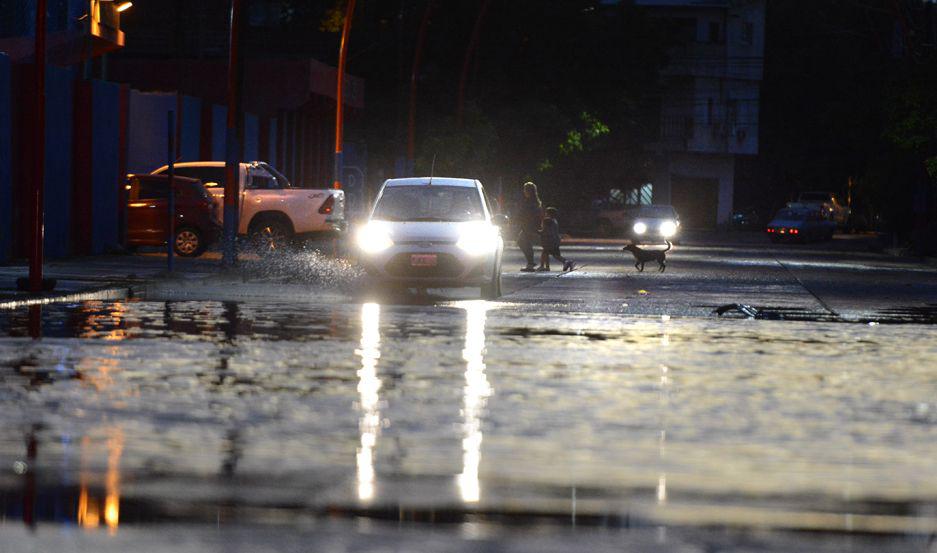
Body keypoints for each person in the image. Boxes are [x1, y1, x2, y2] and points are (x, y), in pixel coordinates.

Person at [516, 182, 542, 272]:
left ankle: (530, 263)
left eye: (525, 190)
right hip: (528, 225)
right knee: (525, 243)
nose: (524, 192)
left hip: (528, 226)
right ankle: (530, 262)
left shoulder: (530, 202)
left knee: (524, 243)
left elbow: (527, 214)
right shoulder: (534, 201)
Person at [537, 207, 574, 272]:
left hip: (549, 241)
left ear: (548, 213)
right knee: (551, 254)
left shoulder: (547, 220)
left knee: (547, 253)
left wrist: (536, 231)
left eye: (546, 212)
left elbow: (544, 231)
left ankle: (543, 266)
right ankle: (547, 266)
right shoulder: (554, 220)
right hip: (555, 240)